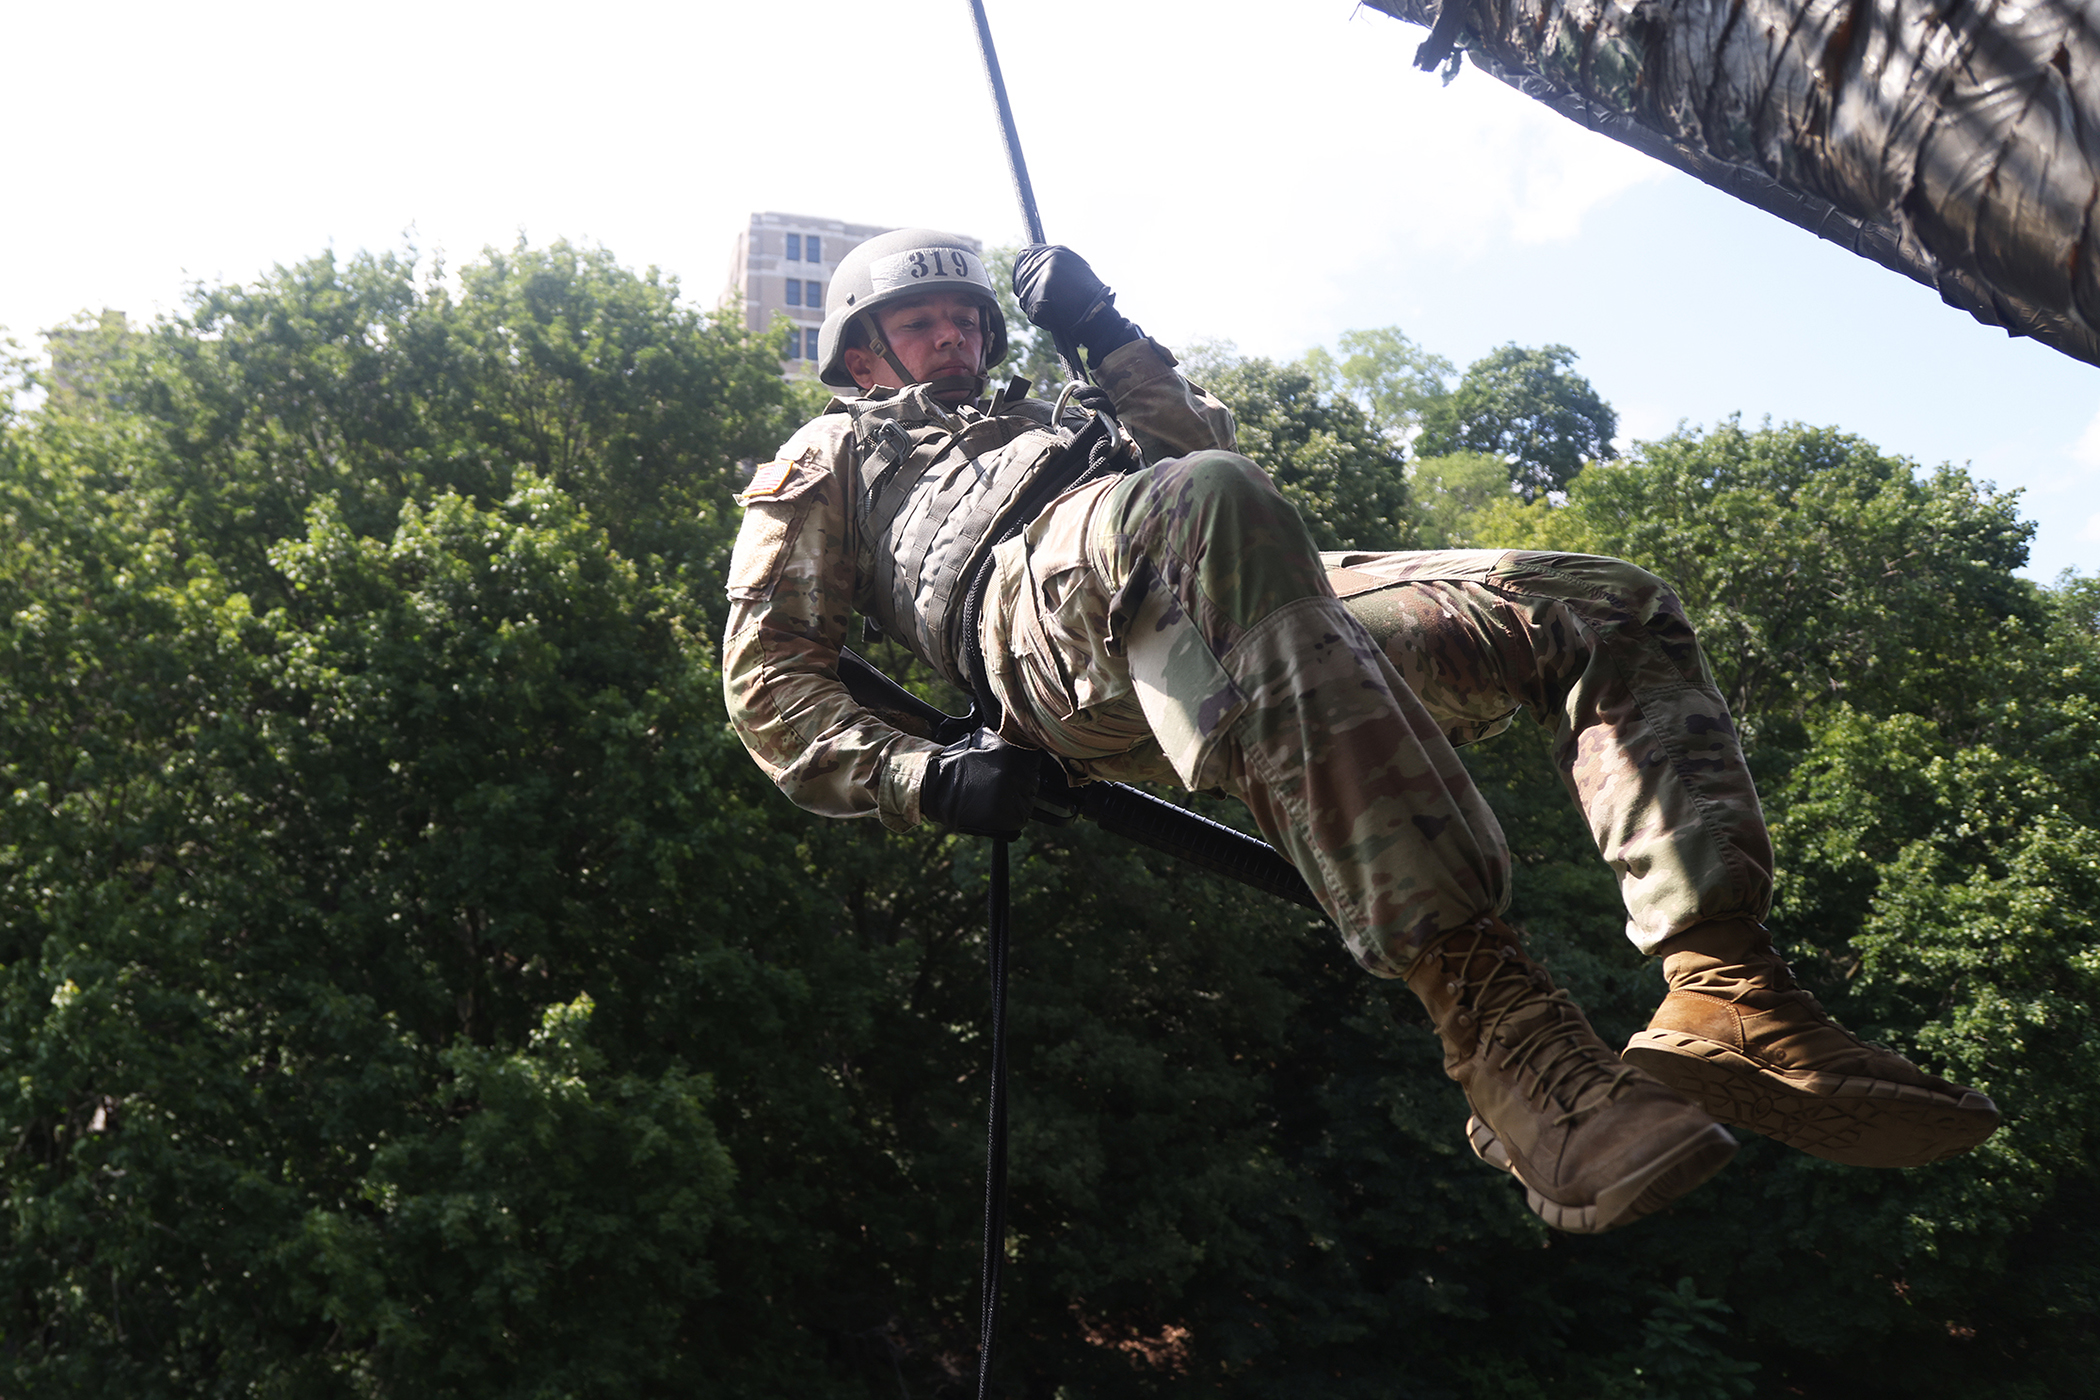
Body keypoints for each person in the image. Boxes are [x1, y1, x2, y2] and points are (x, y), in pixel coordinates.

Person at [721, 228, 1999, 1235]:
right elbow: (768, 677)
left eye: (964, 316)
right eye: (917, 322)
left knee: (1600, 606)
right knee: (1211, 503)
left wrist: (1108, 338)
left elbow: (1215, 455)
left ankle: (1723, 976)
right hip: (1050, 630)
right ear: (862, 352)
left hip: (1224, 561)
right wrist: (924, 779)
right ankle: (1496, 1024)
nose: (949, 335)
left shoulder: (1066, 410)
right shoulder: (830, 454)